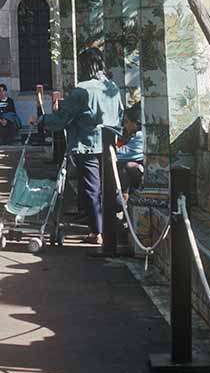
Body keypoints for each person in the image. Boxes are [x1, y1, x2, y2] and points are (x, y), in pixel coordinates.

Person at [32, 48, 123, 244]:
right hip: (109, 143)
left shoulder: (82, 90)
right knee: (111, 186)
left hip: (86, 144)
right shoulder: (113, 87)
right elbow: (120, 114)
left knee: (91, 189)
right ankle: (114, 226)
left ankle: (96, 232)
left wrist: (41, 120)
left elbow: (62, 119)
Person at [116, 103, 144, 201]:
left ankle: (124, 196)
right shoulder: (135, 135)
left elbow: (122, 154)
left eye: (127, 122)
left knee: (124, 166)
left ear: (135, 123)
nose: (125, 125)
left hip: (140, 168)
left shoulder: (140, 136)